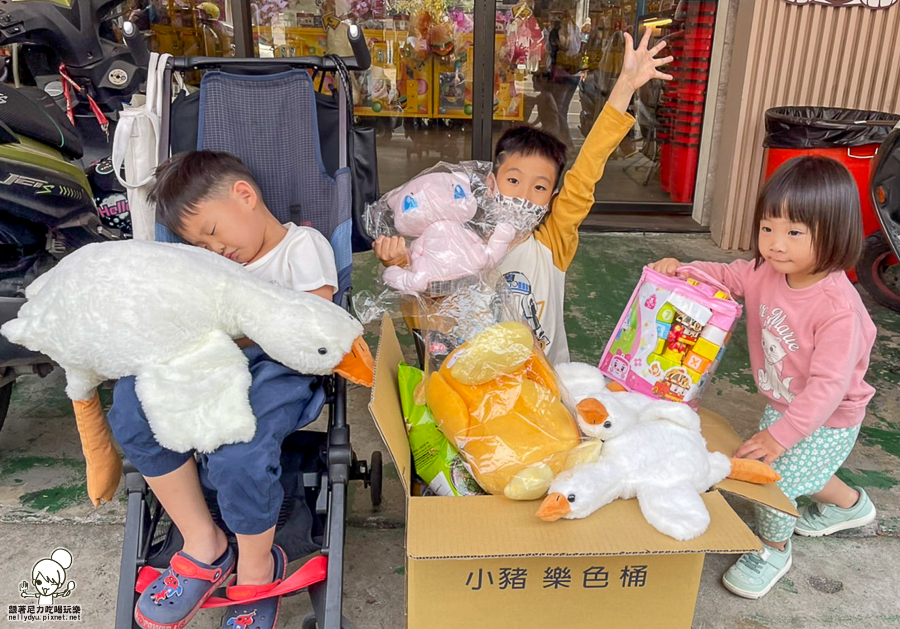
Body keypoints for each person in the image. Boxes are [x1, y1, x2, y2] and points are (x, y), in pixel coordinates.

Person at [111, 151, 339, 629]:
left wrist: (233, 329)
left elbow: (312, 320)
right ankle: (204, 543)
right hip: (210, 363)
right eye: (200, 244)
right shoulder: (209, 268)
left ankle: (257, 567)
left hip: (279, 366)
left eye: (213, 232)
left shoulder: (303, 246)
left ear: (244, 195)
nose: (215, 250)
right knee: (134, 406)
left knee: (239, 446)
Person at [650, 155, 878, 599]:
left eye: (794, 232)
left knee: (777, 478)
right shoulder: (765, 270)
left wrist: (779, 437)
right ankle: (851, 506)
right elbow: (728, 276)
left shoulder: (837, 309)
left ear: (834, 234)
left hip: (830, 416)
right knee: (804, 473)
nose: (775, 243)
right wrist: (684, 269)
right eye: (768, 227)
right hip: (785, 403)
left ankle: (773, 548)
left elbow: (828, 388)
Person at [375, 27, 673, 365]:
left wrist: (624, 88)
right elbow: (427, 318)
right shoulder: (459, 242)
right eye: (513, 180)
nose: (524, 195)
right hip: (477, 388)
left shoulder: (552, 244)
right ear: (490, 184)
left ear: (553, 198)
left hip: (545, 385)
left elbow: (588, 168)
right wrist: (399, 264)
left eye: (540, 188)